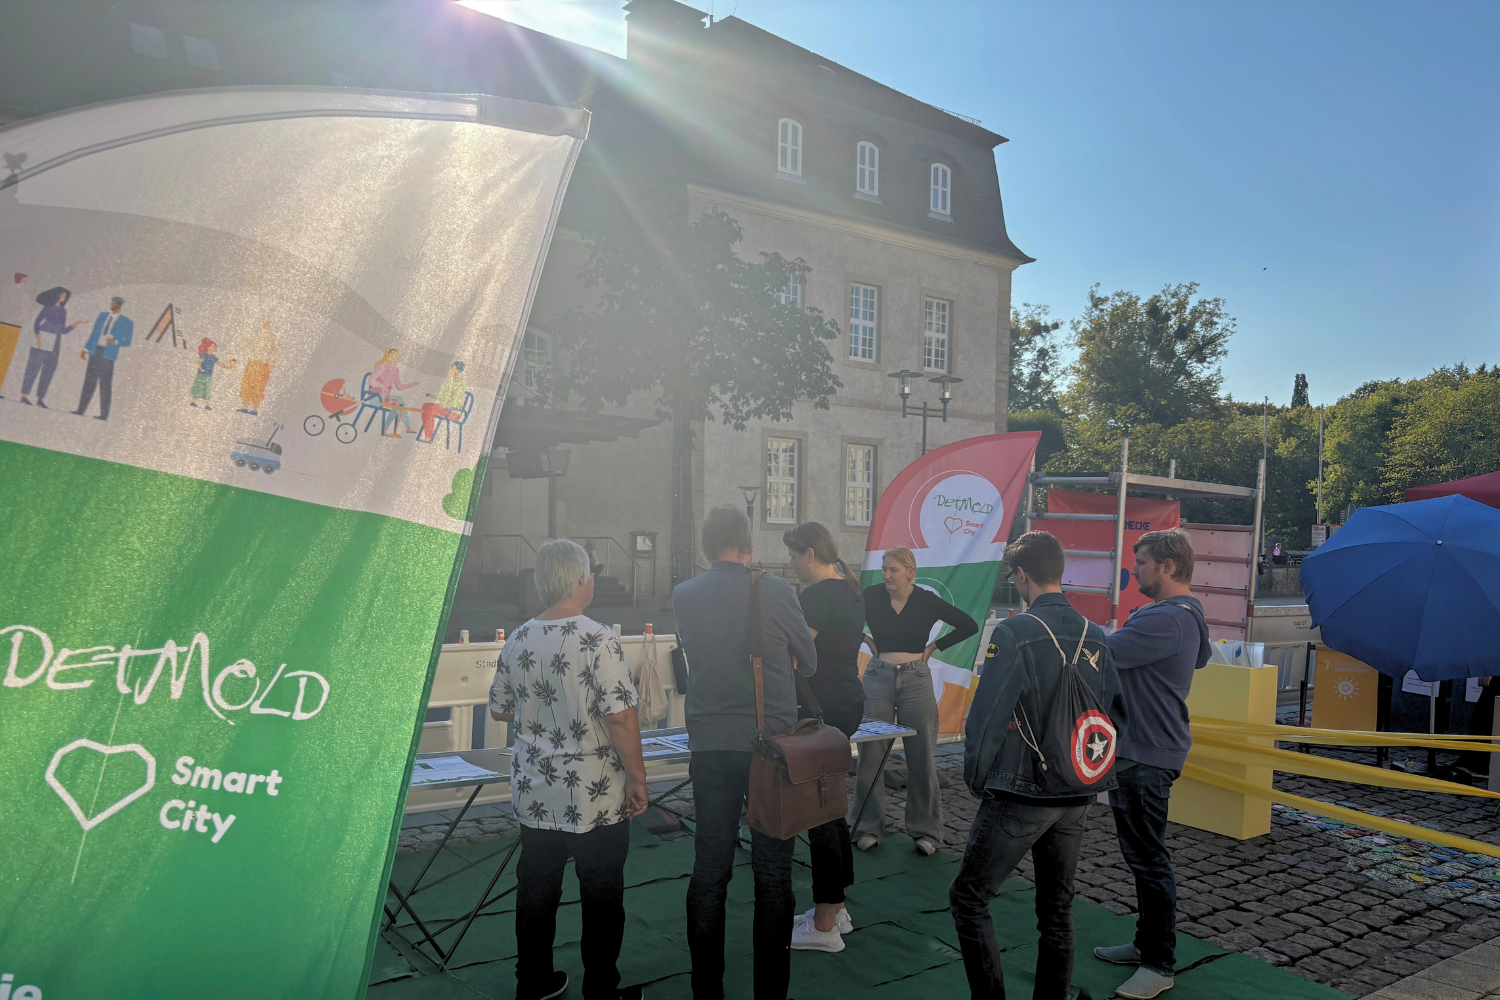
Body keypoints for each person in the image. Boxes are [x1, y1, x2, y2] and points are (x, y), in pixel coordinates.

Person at [951, 531, 1126, 1000]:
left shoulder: (1013, 633)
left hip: (1021, 790)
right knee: (1057, 909)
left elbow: (986, 719)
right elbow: (1116, 715)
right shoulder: (1098, 635)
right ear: (1060, 570)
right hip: (1077, 791)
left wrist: (976, 777)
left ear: (1022, 575)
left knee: (968, 899)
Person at [488, 538, 648, 1000]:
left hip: (536, 791)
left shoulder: (517, 638)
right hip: (595, 794)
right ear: (581, 579)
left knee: (536, 893)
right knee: (601, 896)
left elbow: (500, 709)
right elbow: (620, 716)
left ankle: (533, 983)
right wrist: (638, 778)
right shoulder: (599, 638)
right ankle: (601, 988)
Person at [672, 505, 817, 1000]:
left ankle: (706, 990)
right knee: (773, 875)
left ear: (705, 548)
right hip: (768, 746)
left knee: (709, 870)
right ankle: (769, 992)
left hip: (710, 743)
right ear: (750, 544)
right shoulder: (774, 590)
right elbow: (810, 661)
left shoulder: (684, 594)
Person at [1094, 529, 1210, 1000]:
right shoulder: (1181, 616)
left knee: (1149, 860)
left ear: (1168, 565)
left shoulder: (1167, 619)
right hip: (1144, 748)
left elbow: (1105, 653)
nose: (1133, 569)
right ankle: (1146, 945)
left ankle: (1160, 964)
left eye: (1140, 561)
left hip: (1146, 752)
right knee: (1143, 858)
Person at [855, 545, 978, 856]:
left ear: (910, 571)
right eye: (884, 569)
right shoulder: (870, 596)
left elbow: (969, 625)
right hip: (878, 678)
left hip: (915, 681)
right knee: (871, 757)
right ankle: (867, 827)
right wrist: (865, 638)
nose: (886, 575)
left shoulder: (925, 600)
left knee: (921, 756)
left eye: (893, 570)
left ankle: (926, 832)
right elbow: (844, 615)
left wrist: (934, 646)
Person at [782, 522, 865, 954]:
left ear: (810, 554)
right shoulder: (851, 590)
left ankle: (825, 922)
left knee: (820, 814)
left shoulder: (815, 597)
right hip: (847, 704)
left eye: (795, 556)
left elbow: (798, 657)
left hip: (820, 710)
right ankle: (837, 908)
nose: (792, 565)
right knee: (832, 805)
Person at [21, 285, 83, 407]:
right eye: (63, 295)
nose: (64, 298)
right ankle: (24, 395)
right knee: (33, 367)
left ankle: (40, 398)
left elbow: (63, 331)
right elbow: (37, 323)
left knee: (49, 369)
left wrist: (75, 325)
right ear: (58, 295)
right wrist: (38, 338)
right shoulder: (48, 308)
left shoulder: (63, 311)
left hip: (55, 341)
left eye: (66, 296)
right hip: (44, 337)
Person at [73, 295, 133, 421]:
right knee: (89, 381)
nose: (111, 304)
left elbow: (127, 341)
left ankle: (104, 414)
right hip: (96, 351)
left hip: (108, 354)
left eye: (114, 303)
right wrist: (85, 349)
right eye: (111, 302)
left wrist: (115, 341)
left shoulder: (126, 322)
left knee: (105, 384)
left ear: (119, 305)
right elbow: (94, 334)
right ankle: (81, 409)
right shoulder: (102, 316)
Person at [368, 347, 418, 437]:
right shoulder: (382, 366)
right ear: (388, 356)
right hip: (375, 397)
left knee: (397, 406)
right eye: (392, 356)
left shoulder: (395, 370)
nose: (394, 359)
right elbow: (371, 380)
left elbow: (399, 386)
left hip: (385, 398)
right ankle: (407, 427)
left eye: (396, 357)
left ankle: (386, 430)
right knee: (399, 401)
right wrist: (382, 386)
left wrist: (412, 384)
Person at [236, 316, 280, 415]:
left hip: (264, 364)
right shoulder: (257, 332)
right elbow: (249, 345)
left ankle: (255, 409)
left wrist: (271, 364)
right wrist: (236, 352)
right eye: (262, 320)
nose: (264, 322)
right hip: (253, 361)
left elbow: (275, 351)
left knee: (259, 386)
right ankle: (244, 406)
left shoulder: (274, 336)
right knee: (247, 384)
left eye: (266, 320)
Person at [419, 360, 467, 442]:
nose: (452, 370)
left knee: (428, 408)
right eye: (452, 368)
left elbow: (456, 399)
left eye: (454, 369)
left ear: (459, 371)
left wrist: (445, 405)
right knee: (426, 406)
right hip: (446, 408)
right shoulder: (449, 380)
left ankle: (429, 436)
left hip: (453, 412)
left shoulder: (460, 382)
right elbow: (444, 398)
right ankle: (428, 435)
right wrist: (432, 396)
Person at [188, 338, 235, 410]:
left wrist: (227, 366)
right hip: (201, 374)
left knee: (207, 389)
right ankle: (193, 401)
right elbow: (199, 362)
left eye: (215, 347)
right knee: (198, 387)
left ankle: (207, 404)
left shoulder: (214, 357)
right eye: (213, 346)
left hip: (208, 376)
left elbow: (220, 364)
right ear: (208, 347)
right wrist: (200, 367)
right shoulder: (204, 355)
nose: (215, 348)